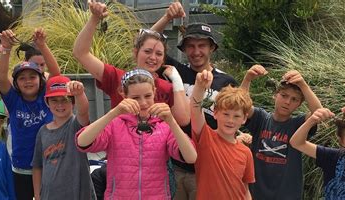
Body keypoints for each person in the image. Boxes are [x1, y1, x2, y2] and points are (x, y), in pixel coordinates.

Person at [152, 3, 238, 198]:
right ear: (184, 49)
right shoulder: (175, 72)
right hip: (175, 166)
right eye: (190, 46)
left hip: (209, 168)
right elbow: (147, 43)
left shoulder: (227, 82)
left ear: (212, 48)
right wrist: (166, 17)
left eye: (202, 45)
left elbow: (235, 118)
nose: (196, 51)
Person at [75, 69, 197, 199]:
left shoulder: (164, 125)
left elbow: (191, 157)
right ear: (124, 95)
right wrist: (114, 113)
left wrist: (172, 121)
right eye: (136, 98)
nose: (143, 102)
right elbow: (82, 141)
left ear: (155, 92)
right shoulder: (115, 124)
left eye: (148, 96)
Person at [72, 0, 189, 126]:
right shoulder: (117, 78)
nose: (153, 57)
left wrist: (176, 80)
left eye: (159, 54)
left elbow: (183, 120)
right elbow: (81, 53)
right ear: (136, 52)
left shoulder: (166, 87)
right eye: (148, 51)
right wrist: (94, 18)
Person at [240, 65, 323, 200]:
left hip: (288, 194)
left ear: (299, 104)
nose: (287, 102)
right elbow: (240, 106)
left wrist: (303, 85)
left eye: (294, 99)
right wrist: (248, 79)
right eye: (284, 95)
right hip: (256, 193)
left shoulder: (298, 124)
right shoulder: (261, 119)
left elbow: (319, 113)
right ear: (275, 95)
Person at [0, 28, 60, 200]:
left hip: (48, 165)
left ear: (41, 80)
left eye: (32, 77)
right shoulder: (13, 100)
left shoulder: (46, 97)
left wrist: (42, 45)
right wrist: (6, 49)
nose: (27, 81)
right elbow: (2, 78)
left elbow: (56, 75)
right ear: (16, 83)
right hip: (21, 168)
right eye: (22, 78)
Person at [190, 70, 255, 199]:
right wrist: (199, 85)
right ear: (215, 113)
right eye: (226, 114)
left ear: (244, 119)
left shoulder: (246, 152)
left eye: (236, 116)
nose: (230, 120)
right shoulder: (205, 138)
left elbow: (245, 189)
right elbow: (195, 108)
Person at [32, 75, 96, 200]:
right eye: (54, 100)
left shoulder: (76, 125)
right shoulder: (42, 132)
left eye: (65, 99)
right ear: (47, 103)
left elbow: (83, 112)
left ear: (73, 102)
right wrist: (37, 195)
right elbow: (37, 166)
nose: (60, 104)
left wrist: (79, 93)